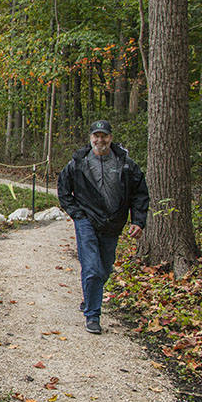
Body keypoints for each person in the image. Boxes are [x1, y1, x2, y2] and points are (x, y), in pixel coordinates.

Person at [57, 120, 149, 335]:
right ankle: (92, 315)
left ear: (110, 137)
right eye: (96, 136)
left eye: (104, 136)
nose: (100, 140)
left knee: (105, 268)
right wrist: (77, 214)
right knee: (91, 268)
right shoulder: (78, 163)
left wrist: (138, 221)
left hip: (113, 222)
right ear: (90, 138)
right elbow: (63, 189)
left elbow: (140, 193)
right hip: (86, 220)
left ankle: (90, 296)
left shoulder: (125, 163)